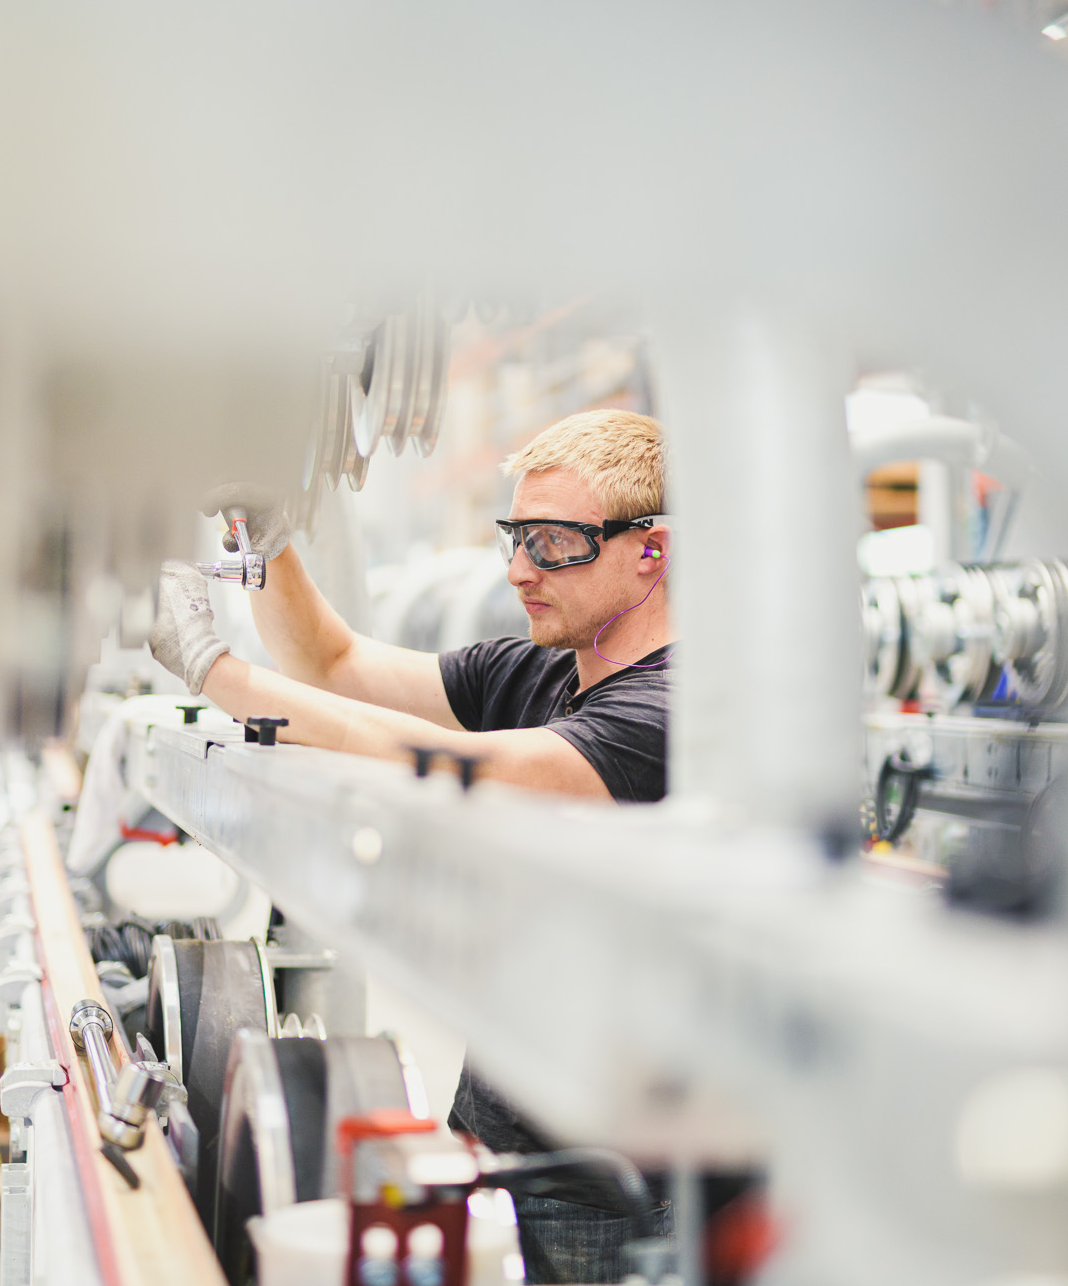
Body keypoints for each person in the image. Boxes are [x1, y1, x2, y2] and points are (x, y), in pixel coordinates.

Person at [147, 408, 674, 1282]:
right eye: (516, 537)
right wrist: (264, 536)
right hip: (505, 1122)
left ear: (649, 551)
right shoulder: (541, 671)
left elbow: (459, 765)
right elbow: (334, 665)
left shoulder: (667, 712)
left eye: (554, 544)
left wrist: (218, 671)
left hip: (603, 1180)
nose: (517, 570)